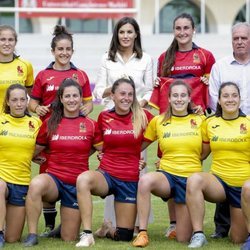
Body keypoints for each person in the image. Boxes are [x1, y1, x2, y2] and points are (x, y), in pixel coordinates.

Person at [149, 12, 215, 238]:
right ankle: (172, 222)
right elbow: (160, 90)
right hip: (170, 122)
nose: (182, 32)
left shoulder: (205, 56)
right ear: (174, 31)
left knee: (189, 167)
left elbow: (210, 89)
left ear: (193, 30)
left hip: (194, 121)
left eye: (186, 28)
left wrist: (205, 86)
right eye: (178, 28)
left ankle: (189, 222)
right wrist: (157, 83)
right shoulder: (164, 58)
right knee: (166, 167)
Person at [28, 25, 93, 237]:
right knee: (46, 181)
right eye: (60, 49)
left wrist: (85, 109)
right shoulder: (43, 75)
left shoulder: (80, 74)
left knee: (68, 179)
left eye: (68, 49)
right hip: (49, 136)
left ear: (72, 51)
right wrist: (36, 108)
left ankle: (64, 225)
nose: (64, 53)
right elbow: (33, 103)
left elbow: (88, 104)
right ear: (53, 51)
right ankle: (48, 224)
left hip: (72, 135)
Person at [23, 78, 102, 247]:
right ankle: (32, 234)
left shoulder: (91, 125)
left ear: (81, 98)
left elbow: (103, 150)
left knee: (69, 237)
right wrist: (39, 159)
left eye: (75, 96)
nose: (72, 100)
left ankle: (64, 227)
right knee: (36, 184)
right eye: (67, 96)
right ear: (61, 99)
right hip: (54, 179)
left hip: (77, 185)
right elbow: (32, 151)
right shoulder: (50, 123)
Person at [93, 16, 153, 235]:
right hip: (112, 121)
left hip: (136, 119)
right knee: (110, 170)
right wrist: (116, 90)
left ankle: (137, 224)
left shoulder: (145, 59)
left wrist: (138, 105)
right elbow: (98, 92)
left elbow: (149, 90)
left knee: (137, 170)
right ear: (116, 35)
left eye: (130, 32)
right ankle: (110, 222)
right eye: (122, 32)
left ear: (136, 34)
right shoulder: (106, 59)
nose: (126, 36)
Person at [76, 77, 153, 247]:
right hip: (107, 175)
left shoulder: (144, 116)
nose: (126, 98)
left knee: (124, 235)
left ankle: (106, 229)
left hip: (129, 179)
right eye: (122, 94)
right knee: (83, 179)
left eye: (130, 94)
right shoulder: (104, 116)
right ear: (112, 95)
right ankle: (87, 234)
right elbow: (97, 145)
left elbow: (163, 128)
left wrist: (154, 158)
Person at [132, 80, 206, 247]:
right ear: (169, 99)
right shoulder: (158, 121)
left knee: (182, 238)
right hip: (167, 176)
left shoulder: (200, 120)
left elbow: (206, 150)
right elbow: (139, 146)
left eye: (183, 95)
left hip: (190, 180)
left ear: (189, 99)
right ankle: (142, 233)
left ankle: (184, 227)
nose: (179, 99)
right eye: (175, 96)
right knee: (145, 181)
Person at [186, 82, 250, 248]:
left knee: (238, 239)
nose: (230, 99)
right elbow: (202, 153)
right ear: (219, 101)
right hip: (219, 183)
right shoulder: (210, 123)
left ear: (240, 99)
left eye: (234, 95)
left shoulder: (248, 122)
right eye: (226, 96)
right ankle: (199, 235)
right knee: (194, 180)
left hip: (243, 186)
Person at [208, 22, 250, 239]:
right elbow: (214, 96)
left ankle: (242, 226)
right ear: (231, 40)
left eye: (244, 38)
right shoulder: (221, 66)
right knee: (223, 169)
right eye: (236, 38)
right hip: (226, 123)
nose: (240, 42)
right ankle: (221, 227)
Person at [0, 84, 41, 248]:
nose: (18, 103)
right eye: (14, 100)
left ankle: (6, 234)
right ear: (8, 102)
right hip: (2, 178)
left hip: (22, 183)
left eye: (22, 99)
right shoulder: (1, 120)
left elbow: (43, 148)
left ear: (27, 101)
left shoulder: (36, 123)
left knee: (13, 238)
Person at [0, 25, 34, 111]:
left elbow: (33, 97)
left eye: (10, 40)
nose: (7, 43)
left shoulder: (25, 65)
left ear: (15, 42)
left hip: (17, 122)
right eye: (2, 39)